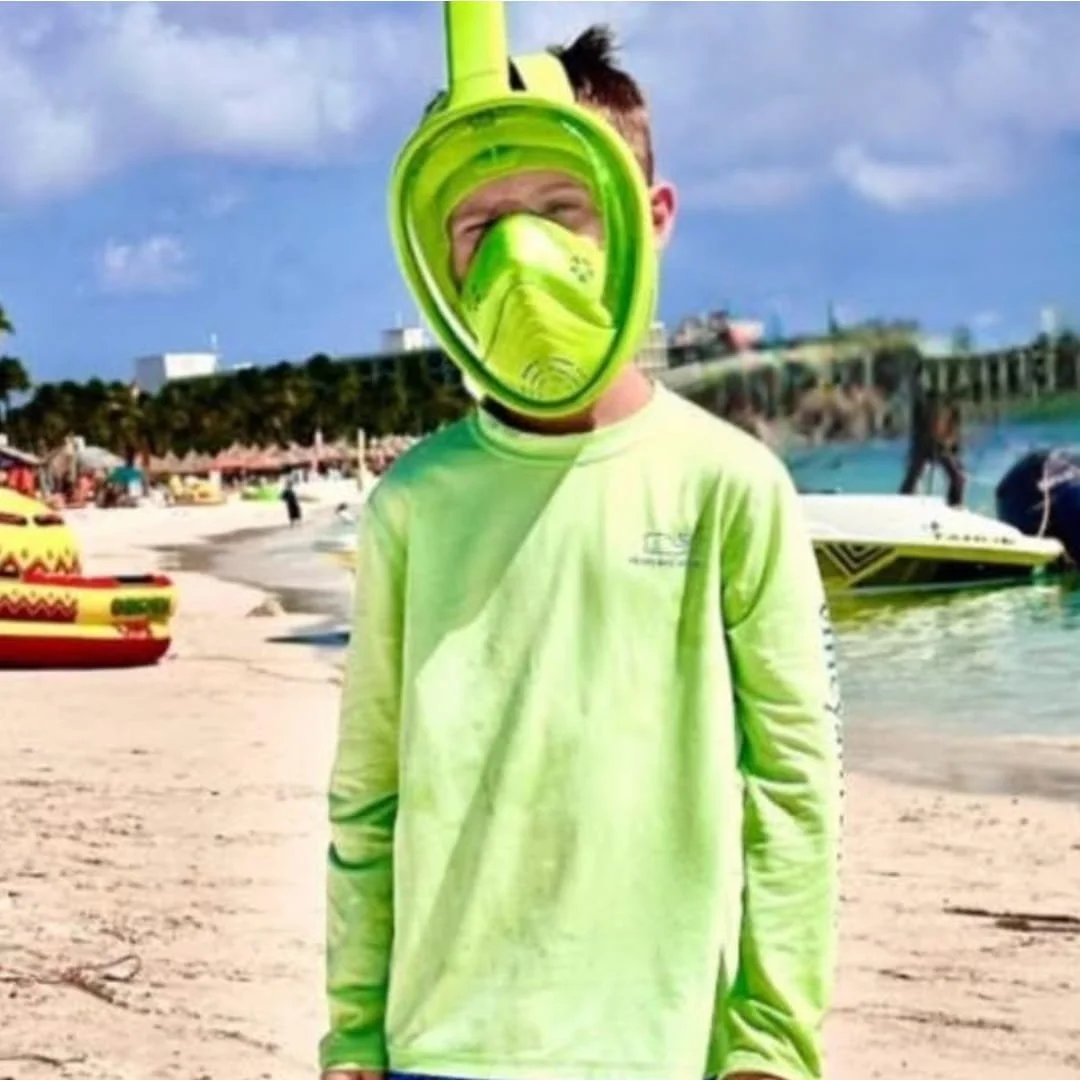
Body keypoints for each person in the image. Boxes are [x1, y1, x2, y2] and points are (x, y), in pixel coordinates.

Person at [322, 21, 843, 1080]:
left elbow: (792, 792)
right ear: (434, 255)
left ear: (648, 219)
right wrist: (353, 1034)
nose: (522, 257)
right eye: (479, 228)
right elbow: (367, 793)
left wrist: (773, 1043)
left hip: (653, 1047)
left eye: (564, 212)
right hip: (440, 1044)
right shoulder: (415, 503)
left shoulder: (730, 488)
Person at [899, 375, 965, 506]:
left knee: (958, 477)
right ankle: (903, 500)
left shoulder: (953, 408)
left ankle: (955, 503)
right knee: (913, 476)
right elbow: (919, 428)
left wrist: (950, 444)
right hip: (924, 444)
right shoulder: (923, 404)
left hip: (940, 445)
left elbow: (952, 431)